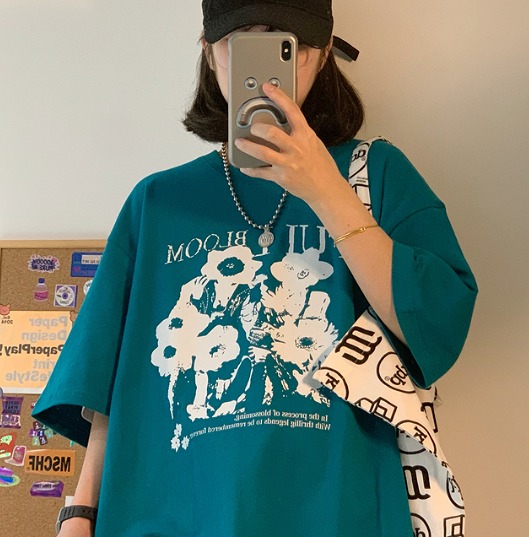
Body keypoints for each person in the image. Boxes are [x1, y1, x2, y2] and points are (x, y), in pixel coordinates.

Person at [33, 1, 478, 536]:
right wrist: (80, 511)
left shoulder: (377, 175)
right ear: (210, 53)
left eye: (289, 45)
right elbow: (114, 381)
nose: (268, 71)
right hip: (172, 515)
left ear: (323, 54)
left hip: (339, 513)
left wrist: (326, 190)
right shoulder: (156, 203)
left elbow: (437, 324)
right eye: (242, 41)